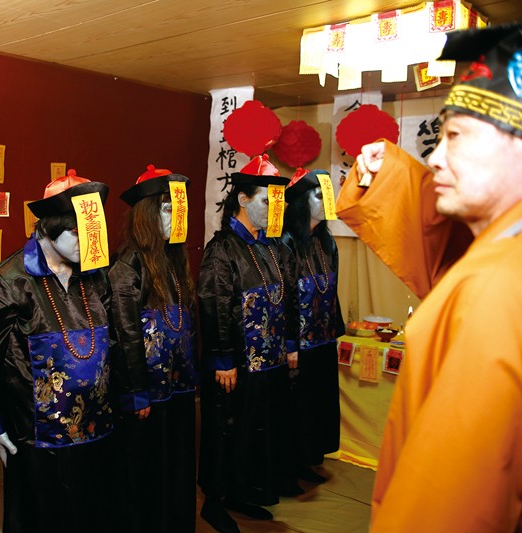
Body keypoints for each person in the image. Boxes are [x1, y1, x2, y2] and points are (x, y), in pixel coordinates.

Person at [336, 23, 522, 532]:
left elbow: (452, 496)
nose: (435, 157)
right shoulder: (498, 250)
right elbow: (449, 246)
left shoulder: (498, 290)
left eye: (455, 136)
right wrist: (390, 173)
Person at [0, 170, 115, 533]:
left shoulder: (96, 275)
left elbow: (110, 341)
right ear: (48, 227)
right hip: (36, 431)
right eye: (76, 232)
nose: (86, 241)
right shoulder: (7, 280)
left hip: (95, 425)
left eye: (91, 231)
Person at [197, 155, 299, 533]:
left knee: (257, 429)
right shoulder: (222, 248)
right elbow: (213, 303)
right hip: (237, 361)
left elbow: (287, 297)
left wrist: (290, 343)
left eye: (277, 202)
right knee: (227, 429)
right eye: (266, 200)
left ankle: (245, 491)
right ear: (243, 199)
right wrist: (223, 358)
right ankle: (215, 500)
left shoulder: (272, 246)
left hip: (268, 360)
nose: (273, 208)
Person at [109, 165, 197, 533]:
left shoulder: (174, 259)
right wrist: (136, 391)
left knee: (178, 462)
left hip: (178, 386)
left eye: (179, 209)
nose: (176, 217)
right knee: (145, 470)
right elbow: (125, 332)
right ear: (146, 213)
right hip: (147, 392)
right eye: (167, 209)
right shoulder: (128, 265)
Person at [283, 168, 344, 482]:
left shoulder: (326, 241)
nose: (326, 201)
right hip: (300, 339)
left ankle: (311, 458)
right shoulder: (287, 242)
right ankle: (293, 464)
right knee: (298, 403)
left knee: (320, 399)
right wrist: (290, 341)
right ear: (301, 201)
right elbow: (285, 296)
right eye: (319, 195)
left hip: (323, 335)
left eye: (328, 195)